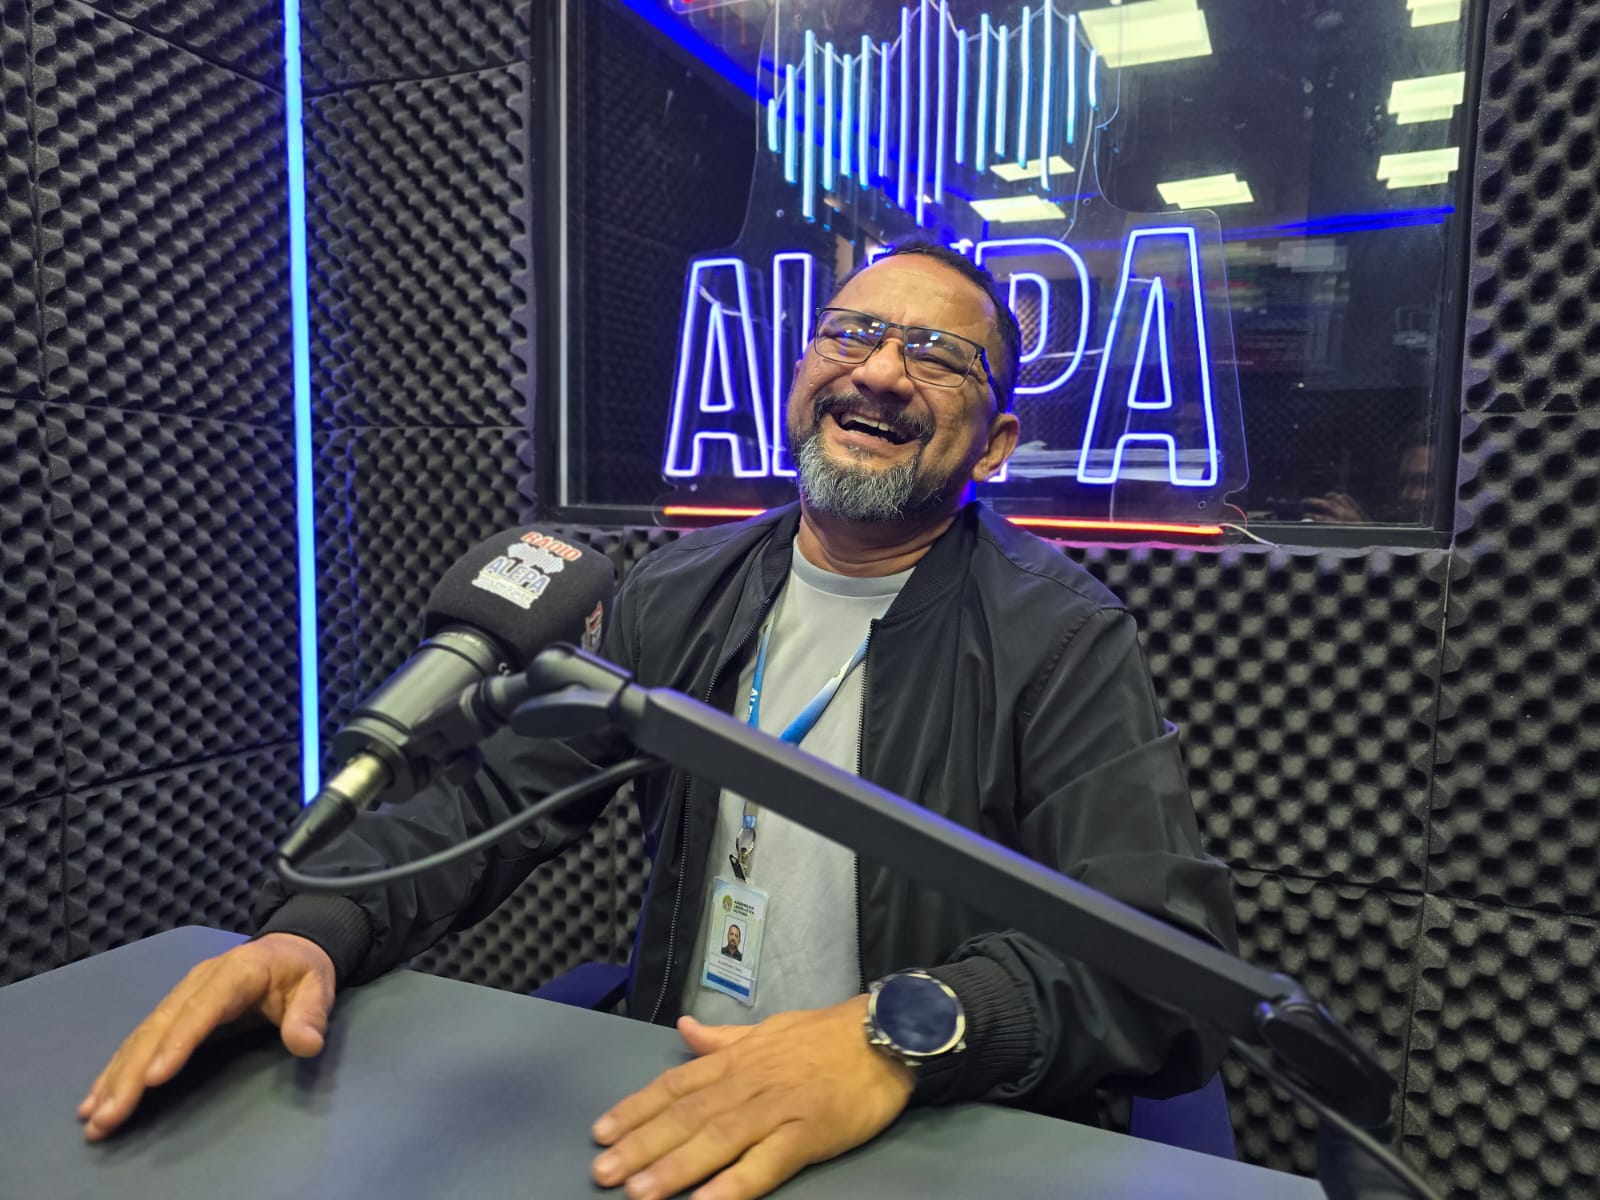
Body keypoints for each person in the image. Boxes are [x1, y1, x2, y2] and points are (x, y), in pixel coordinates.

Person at [77, 241, 1237, 1200]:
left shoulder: (1063, 636)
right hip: (681, 1083)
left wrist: (894, 1035)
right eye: (849, 333)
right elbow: (492, 801)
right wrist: (311, 929)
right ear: (800, 375)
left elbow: (1158, 965)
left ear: (991, 443)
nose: (880, 371)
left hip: (923, 1117)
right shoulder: (669, 594)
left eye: (937, 355)